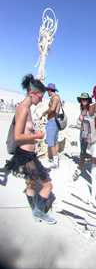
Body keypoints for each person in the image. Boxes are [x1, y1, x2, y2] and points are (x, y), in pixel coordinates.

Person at [5, 74, 56, 224]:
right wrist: (37, 136)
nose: (41, 100)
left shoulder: (26, 107)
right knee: (47, 185)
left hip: (26, 153)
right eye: (40, 97)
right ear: (32, 93)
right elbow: (18, 136)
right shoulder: (23, 108)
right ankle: (39, 212)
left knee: (31, 183)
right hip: (26, 155)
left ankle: (34, 209)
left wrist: (34, 135)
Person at [72, 92, 92, 181]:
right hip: (82, 134)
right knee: (83, 153)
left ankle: (80, 170)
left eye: (85, 99)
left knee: (88, 153)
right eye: (82, 99)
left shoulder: (90, 110)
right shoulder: (82, 110)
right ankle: (81, 170)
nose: (84, 101)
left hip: (89, 135)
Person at [42, 83, 61, 170]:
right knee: (55, 141)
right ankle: (55, 158)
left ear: (50, 90)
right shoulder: (56, 97)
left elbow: (52, 109)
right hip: (55, 122)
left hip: (52, 121)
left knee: (51, 142)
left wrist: (45, 112)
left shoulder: (55, 98)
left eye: (47, 91)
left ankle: (55, 162)